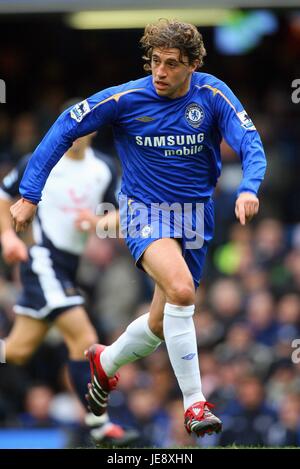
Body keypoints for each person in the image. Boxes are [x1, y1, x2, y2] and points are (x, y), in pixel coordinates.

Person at [10, 19, 267, 438]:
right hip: (144, 212)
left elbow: (250, 142)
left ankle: (105, 363)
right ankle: (196, 404)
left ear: (194, 64)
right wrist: (29, 195)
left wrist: (248, 187)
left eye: (171, 64)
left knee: (161, 323)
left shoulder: (213, 94)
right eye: (154, 62)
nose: (160, 72)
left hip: (195, 217)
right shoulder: (126, 98)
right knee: (182, 290)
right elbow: (65, 127)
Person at [0, 130, 138, 446]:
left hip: (68, 267)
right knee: (85, 339)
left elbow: (126, 214)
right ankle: (99, 425)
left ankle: (98, 424)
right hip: (42, 260)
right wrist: (8, 237)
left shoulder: (103, 167)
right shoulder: (40, 161)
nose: (73, 135)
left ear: (91, 132)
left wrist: (99, 222)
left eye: (80, 129)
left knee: (17, 351)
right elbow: (3, 195)